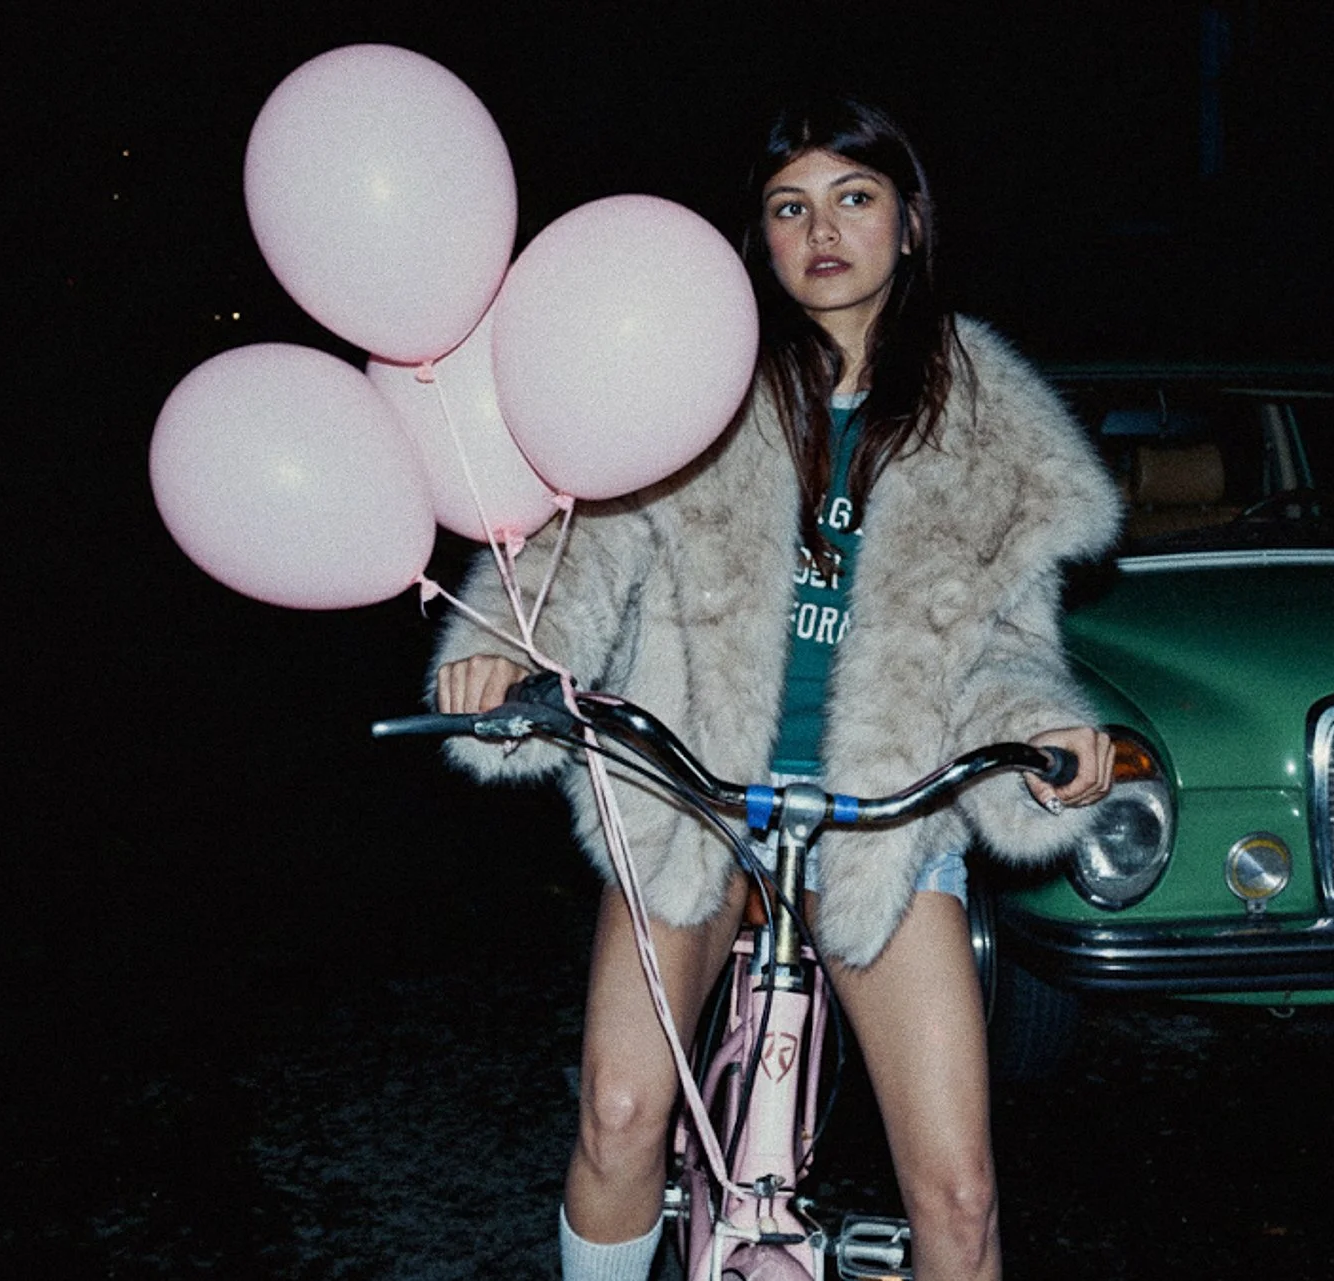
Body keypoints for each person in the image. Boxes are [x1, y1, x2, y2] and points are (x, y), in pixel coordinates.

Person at [431, 95, 1123, 1281]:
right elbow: (584, 547)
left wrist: (1041, 725)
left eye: (855, 198)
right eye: (789, 206)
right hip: (693, 797)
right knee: (617, 1112)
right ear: (759, 236)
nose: (823, 232)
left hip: (885, 821)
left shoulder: (982, 422)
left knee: (958, 1195)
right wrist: (508, 644)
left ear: (909, 223)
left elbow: (1007, 646)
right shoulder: (699, 379)